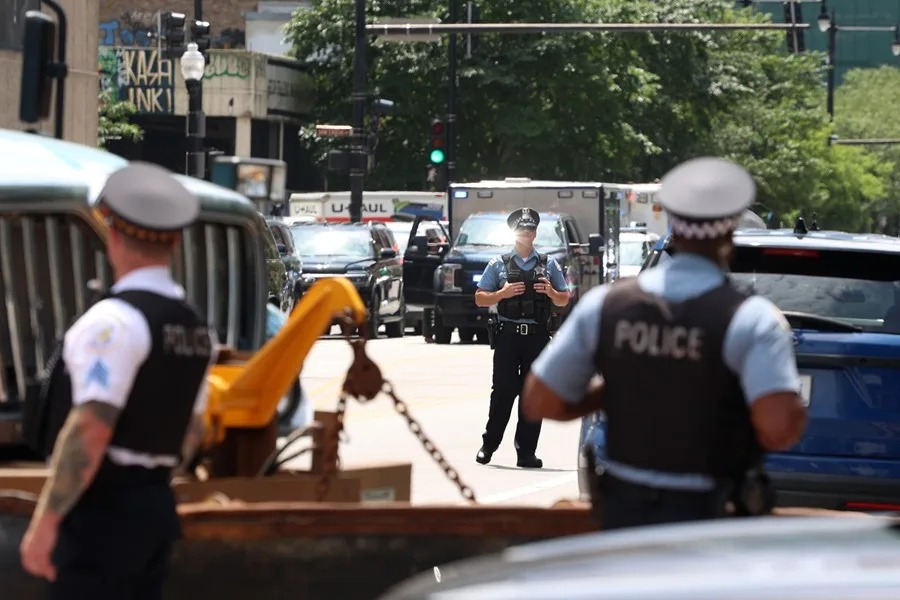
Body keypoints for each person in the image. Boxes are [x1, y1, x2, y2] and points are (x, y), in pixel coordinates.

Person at [522, 157, 807, 529]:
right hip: (709, 517)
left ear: (671, 225)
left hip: (622, 513)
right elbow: (780, 429)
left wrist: (615, 390)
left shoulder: (606, 305)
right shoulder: (752, 318)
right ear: (729, 233)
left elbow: (540, 401)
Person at [20, 162, 216, 598]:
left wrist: (46, 522)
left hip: (99, 515)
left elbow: (90, 429)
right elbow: (193, 430)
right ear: (175, 241)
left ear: (112, 237)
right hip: (154, 509)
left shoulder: (113, 322)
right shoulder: (196, 329)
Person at [474, 207, 571, 469]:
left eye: (530, 229)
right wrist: (501, 294)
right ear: (514, 233)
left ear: (535, 233)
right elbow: (480, 298)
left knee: (533, 395)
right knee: (503, 392)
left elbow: (564, 299)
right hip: (508, 337)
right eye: (522, 229)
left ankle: (526, 452)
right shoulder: (498, 263)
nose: (527, 233)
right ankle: (488, 445)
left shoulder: (549, 264)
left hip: (537, 338)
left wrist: (551, 292)